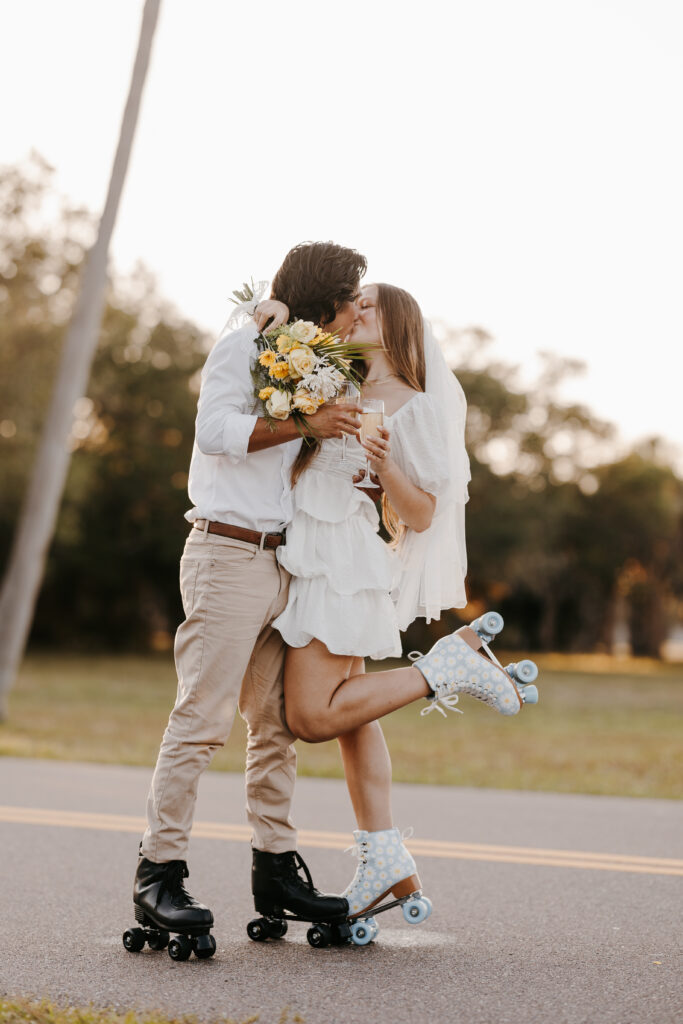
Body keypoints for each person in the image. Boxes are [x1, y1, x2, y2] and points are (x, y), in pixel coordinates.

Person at [253, 282, 539, 926]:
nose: (355, 309)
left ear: (398, 323)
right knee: (353, 719)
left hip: (342, 563)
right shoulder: (336, 385)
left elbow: (423, 512)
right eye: (352, 301)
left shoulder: (414, 407)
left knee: (310, 717)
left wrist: (385, 470)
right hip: (315, 553)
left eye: (369, 303)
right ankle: (383, 855)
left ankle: (443, 669)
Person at [128, 242, 371, 958]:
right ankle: (158, 871)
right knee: (201, 720)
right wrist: (304, 424)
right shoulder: (243, 347)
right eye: (352, 297)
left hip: (284, 562)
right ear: (324, 301)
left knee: (273, 725)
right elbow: (215, 433)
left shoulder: (325, 367)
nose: (359, 308)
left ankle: (275, 871)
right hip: (226, 553)